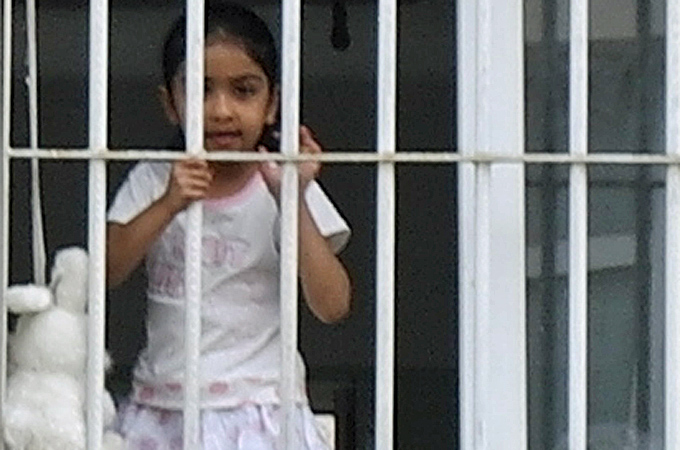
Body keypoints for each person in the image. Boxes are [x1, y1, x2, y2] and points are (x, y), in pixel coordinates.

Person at [106, 2, 351, 448]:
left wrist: (291, 197)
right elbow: (106, 269)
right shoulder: (155, 177)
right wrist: (169, 204)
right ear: (170, 104)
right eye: (201, 90)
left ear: (272, 103)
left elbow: (333, 305)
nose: (221, 110)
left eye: (244, 91)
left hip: (262, 407)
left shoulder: (283, 179)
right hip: (165, 402)